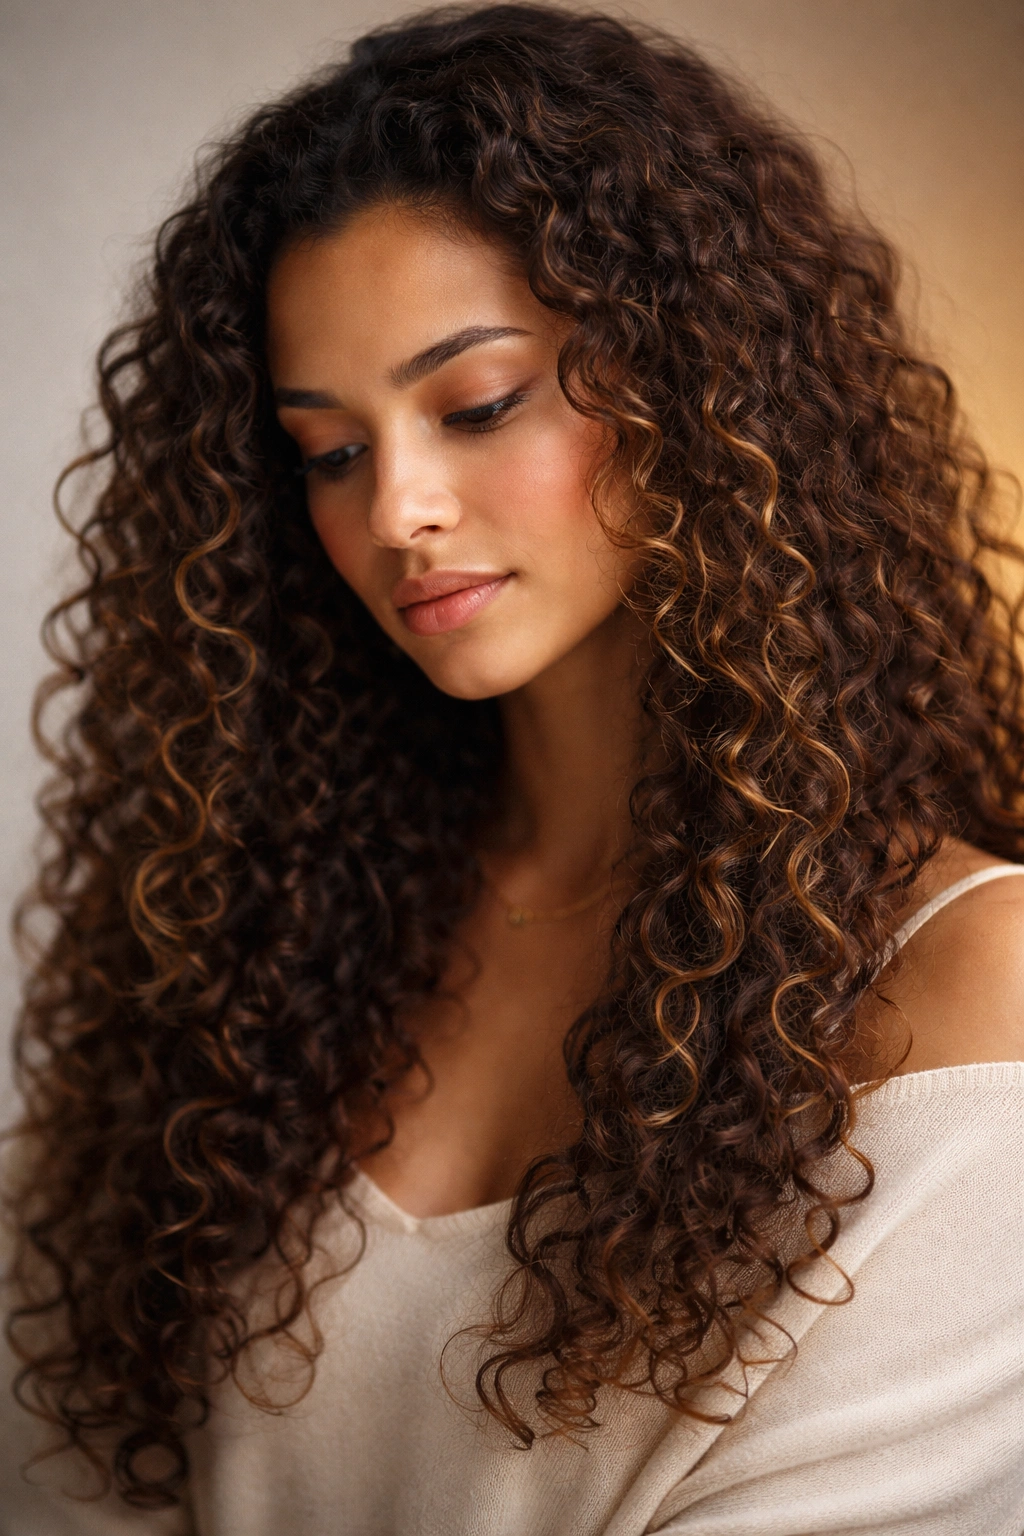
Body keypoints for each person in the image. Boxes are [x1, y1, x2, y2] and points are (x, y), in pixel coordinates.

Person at [2, 5, 1022, 1532]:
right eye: (328, 452)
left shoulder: (967, 995)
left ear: (700, 382)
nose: (397, 506)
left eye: (478, 406)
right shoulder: (269, 933)